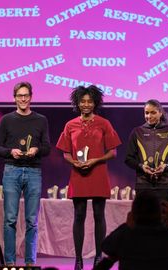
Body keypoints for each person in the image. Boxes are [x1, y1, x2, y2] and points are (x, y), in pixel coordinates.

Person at [56, 85, 121, 270]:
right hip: (78, 174)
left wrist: (95, 160)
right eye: (82, 101)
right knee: (79, 216)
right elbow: (66, 153)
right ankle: (78, 260)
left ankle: (99, 257)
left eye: (89, 101)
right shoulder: (70, 125)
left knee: (99, 215)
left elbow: (113, 152)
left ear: (95, 102)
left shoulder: (104, 123)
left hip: (98, 173)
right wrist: (74, 162)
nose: (86, 104)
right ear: (77, 103)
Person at [0, 81, 51, 266]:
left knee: (32, 221)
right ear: (14, 98)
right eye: (20, 96)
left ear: (31, 97)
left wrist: (37, 150)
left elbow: (47, 148)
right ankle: (10, 262)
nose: (23, 99)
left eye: (26, 95)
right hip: (12, 170)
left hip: (34, 171)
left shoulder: (41, 120)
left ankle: (29, 262)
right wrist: (11, 152)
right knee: (10, 219)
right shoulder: (6, 120)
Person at [94, 191, 168, 270]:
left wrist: (127, 225)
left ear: (133, 213)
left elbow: (106, 246)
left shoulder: (126, 236)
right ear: (160, 213)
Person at [125, 99, 168, 202]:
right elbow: (128, 159)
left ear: (160, 113)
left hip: (163, 185)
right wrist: (142, 167)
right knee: (143, 218)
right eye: (146, 113)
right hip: (142, 185)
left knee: (163, 217)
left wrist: (166, 166)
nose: (149, 116)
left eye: (153, 112)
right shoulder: (137, 132)